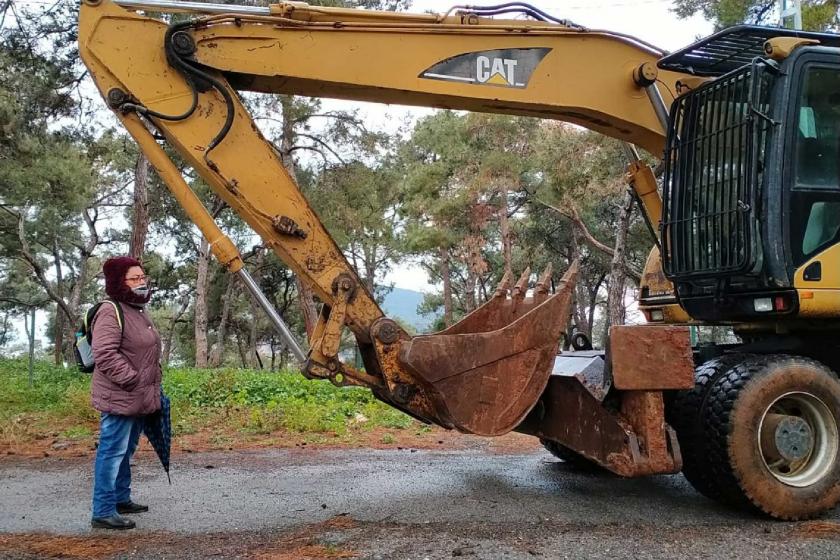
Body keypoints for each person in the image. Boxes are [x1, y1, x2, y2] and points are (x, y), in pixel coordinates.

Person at [90, 256, 161, 530]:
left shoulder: (136, 309)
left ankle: (120, 499)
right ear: (119, 282)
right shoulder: (111, 311)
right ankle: (103, 510)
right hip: (121, 396)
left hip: (139, 397)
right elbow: (104, 354)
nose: (141, 282)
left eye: (143, 277)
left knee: (126, 450)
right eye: (135, 278)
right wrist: (132, 380)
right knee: (112, 451)